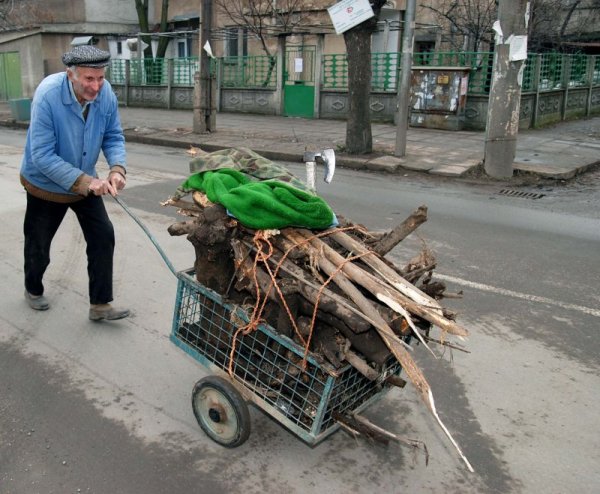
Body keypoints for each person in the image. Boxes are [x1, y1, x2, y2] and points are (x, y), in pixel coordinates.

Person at [20, 45, 130, 321]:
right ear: (71, 76)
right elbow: (42, 155)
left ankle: (100, 305)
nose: (96, 86)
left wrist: (117, 169)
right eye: (89, 79)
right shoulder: (47, 96)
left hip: (84, 181)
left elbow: (113, 136)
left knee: (103, 236)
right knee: (39, 245)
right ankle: (33, 289)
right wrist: (85, 181)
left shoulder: (105, 95)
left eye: (100, 78)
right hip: (45, 185)